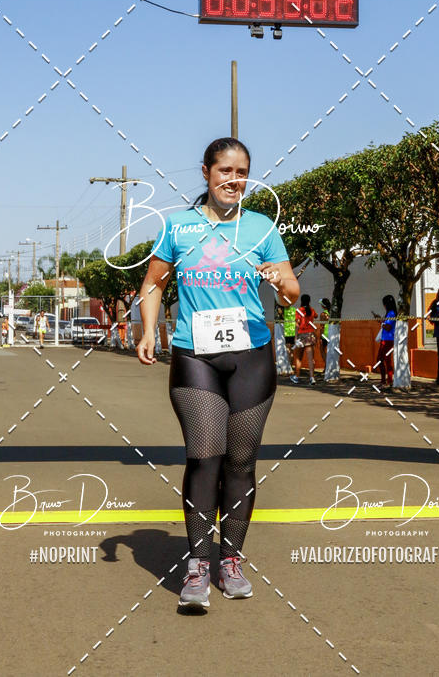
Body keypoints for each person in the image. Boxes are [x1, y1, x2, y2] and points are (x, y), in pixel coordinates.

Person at [136, 138, 299, 610]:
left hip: (251, 356)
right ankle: (197, 566)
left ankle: (231, 560)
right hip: (195, 356)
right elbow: (152, 284)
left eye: (242, 172)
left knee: (240, 463)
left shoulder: (262, 229)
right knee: (205, 456)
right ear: (206, 172)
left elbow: (291, 293)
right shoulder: (178, 227)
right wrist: (149, 332)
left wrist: (279, 281)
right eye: (225, 170)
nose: (234, 179)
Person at [292, 294, 317, 385]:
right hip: (310, 335)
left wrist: (295, 337)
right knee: (311, 359)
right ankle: (312, 378)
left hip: (301, 336)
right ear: (309, 301)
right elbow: (316, 316)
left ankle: (297, 377)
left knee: (298, 358)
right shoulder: (312, 310)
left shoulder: (299, 311)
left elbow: (297, 324)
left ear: (301, 301)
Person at [376, 295, 397, 390]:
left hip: (388, 340)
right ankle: (386, 380)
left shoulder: (391, 313)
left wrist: (381, 322)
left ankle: (387, 381)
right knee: (383, 360)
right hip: (386, 339)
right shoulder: (390, 313)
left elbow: (388, 327)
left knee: (383, 360)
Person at [283, 303, 297, 376]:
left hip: (286, 333)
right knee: (291, 351)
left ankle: (289, 367)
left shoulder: (282, 310)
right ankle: (291, 367)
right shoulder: (294, 310)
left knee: (288, 351)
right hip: (293, 332)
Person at [318, 298, 331, 369]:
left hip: (325, 334)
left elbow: (322, 327)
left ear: (323, 306)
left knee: (322, 350)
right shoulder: (332, 313)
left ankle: (327, 365)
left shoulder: (323, 314)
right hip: (332, 334)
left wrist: (320, 337)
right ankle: (327, 366)